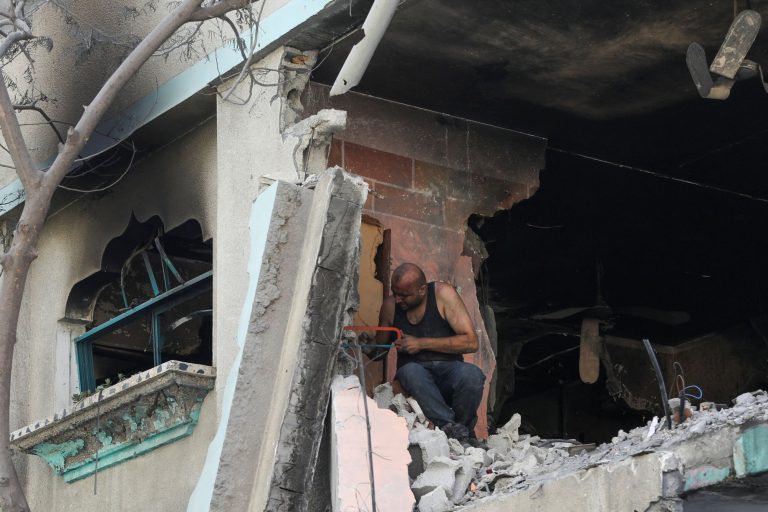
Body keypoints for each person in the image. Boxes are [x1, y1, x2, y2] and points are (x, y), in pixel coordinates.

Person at [377, 262, 486, 446]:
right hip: (414, 378)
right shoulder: (390, 306)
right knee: (411, 371)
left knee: (472, 374)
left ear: (422, 290)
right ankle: (454, 431)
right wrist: (369, 343)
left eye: (404, 295)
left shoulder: (443, 294)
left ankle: (463, 431)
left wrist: (420, 343)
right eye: (395, 293)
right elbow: (378, 352)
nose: (398, 299)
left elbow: (471, 342)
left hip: (449, 371)